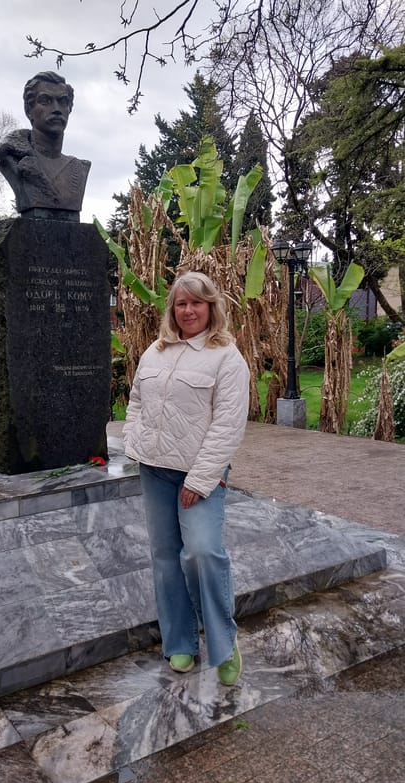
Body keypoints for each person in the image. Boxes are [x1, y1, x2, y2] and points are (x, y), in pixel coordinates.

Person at [124, 271, 250, 683]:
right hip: (154, 470)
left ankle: (223, 643)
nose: (188, 310)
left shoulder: (226, 357)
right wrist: (133, 438)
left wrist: (200, 478)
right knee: (165, 558)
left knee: (202, 552)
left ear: (211, 307)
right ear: (172, 309)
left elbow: (228, 424)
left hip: (199, 476)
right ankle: (180, 642)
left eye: (196, 303)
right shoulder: (155, 351)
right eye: (181, 303)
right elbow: (136, 400)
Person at [0, 72, 90, 219]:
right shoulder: (13, 159)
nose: (56, 109)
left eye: (63, 101)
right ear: (29, 110)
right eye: (45, 101)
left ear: (69, 108)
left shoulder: (79, 168)